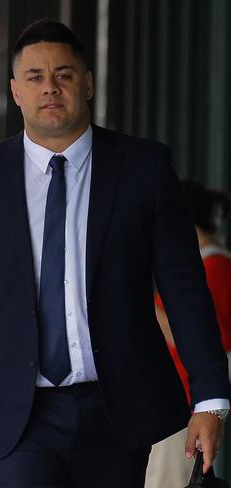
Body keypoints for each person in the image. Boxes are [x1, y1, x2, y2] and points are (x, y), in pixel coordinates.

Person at [0, 18, 231, 488]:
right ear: (15, 91)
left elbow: (184, 287)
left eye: (63, 74)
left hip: (116, 408)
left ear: (87, 83)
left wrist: (209, 399)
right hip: (15, 413)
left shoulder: (144, 168)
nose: (50, 88)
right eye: (35, 78)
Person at [145, 181, 231, 488]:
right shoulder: (206, 265)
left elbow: (208, 342)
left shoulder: (215, 266)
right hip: (169, 402)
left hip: (184, 405)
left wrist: (141, 304)